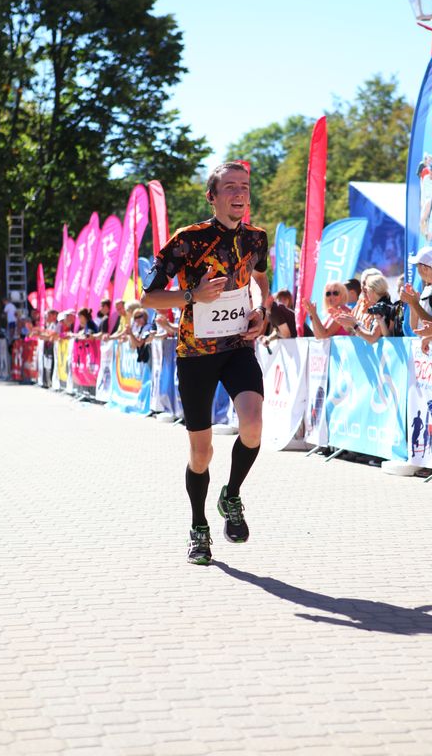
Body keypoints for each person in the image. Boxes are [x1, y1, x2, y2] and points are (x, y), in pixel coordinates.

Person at [140, 161, 268, 566]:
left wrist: (262, 310)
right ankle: (199, 525)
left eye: (244, 186)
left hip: (237, 346)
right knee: (201, 452)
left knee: (253, 423)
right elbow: (149, 297)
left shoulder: (256, 238)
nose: (239, 193)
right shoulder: (187, 240)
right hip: (195, 354)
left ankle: (231, 495)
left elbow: (259, 279)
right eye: (229, 187)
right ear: (212, 196)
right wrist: (193, 296)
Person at [335, 273, 392, 343]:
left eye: (366, 290)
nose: (364, 292)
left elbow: (372, 338)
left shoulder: (381, 307)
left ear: (372, 290)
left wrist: (354, 324)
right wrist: (349, 323)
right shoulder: (381, 305)